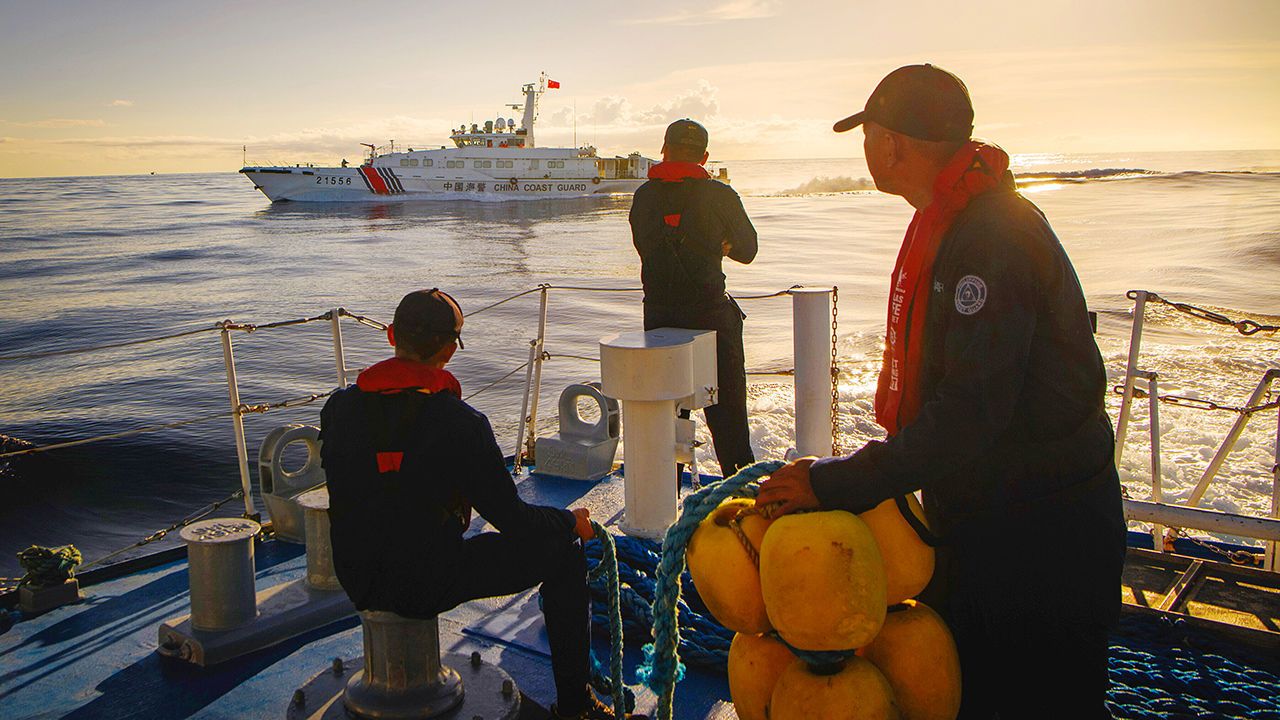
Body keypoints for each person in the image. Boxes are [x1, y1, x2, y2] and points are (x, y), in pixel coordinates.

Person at [757, 65, 1125, 719]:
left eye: (867, 135)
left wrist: (835, 481)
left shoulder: (993, 239)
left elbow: (971, 414)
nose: (865, 149)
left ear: (893, 145)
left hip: (1041, 539)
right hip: (992, 518)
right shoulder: (959, 220)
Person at [319, 288, 636, 720]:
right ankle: (577, 709)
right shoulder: (460, 424)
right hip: (428, 580)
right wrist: (568, 523)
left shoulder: (338, 410)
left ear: (391, 335)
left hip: (354, 575)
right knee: (564, 553)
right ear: (450, 351)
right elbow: (513, 519)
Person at [629, 119, 759, 477]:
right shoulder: (720, 195)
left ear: (664, 149)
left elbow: (645, 247)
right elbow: (748, 250)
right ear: (704, 156)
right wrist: (723, 244)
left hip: (659, 322)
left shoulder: (643, 197)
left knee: (667, 422)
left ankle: (662, 505)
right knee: (729, 421)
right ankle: (738, 492)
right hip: (711, 320)